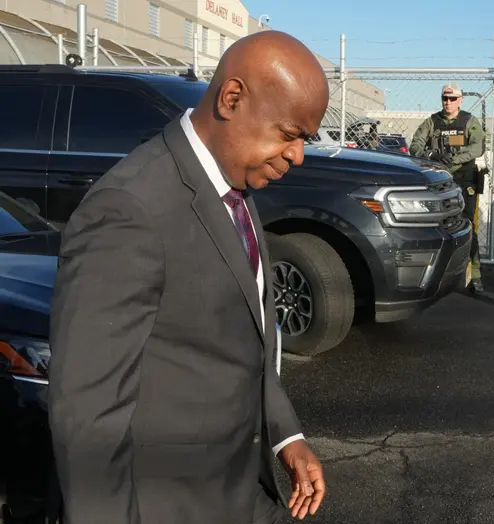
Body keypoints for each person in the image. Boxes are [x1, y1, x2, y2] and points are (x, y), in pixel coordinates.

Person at [48, 31, 329, 524]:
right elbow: (88, 420)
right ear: (232, 98)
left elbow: (244, 346)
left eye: (305, 139)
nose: (298, 155)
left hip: (243, 491)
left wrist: (286, 434)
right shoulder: (129, 208)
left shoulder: (233, 191)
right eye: (289, 134)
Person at [410, 82, 487, 294]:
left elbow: (478, 147)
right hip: (438, 183)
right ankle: (437, 275)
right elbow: (415, 145)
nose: (448, 102)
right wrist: (432, 156)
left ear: (460, 100)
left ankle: (476, 274)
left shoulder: (469, 121)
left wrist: (452, 159)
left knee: (467, 226)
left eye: (453, 99)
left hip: (463, 180)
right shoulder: (432, 122)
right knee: (436, 228)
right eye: (445, 98)